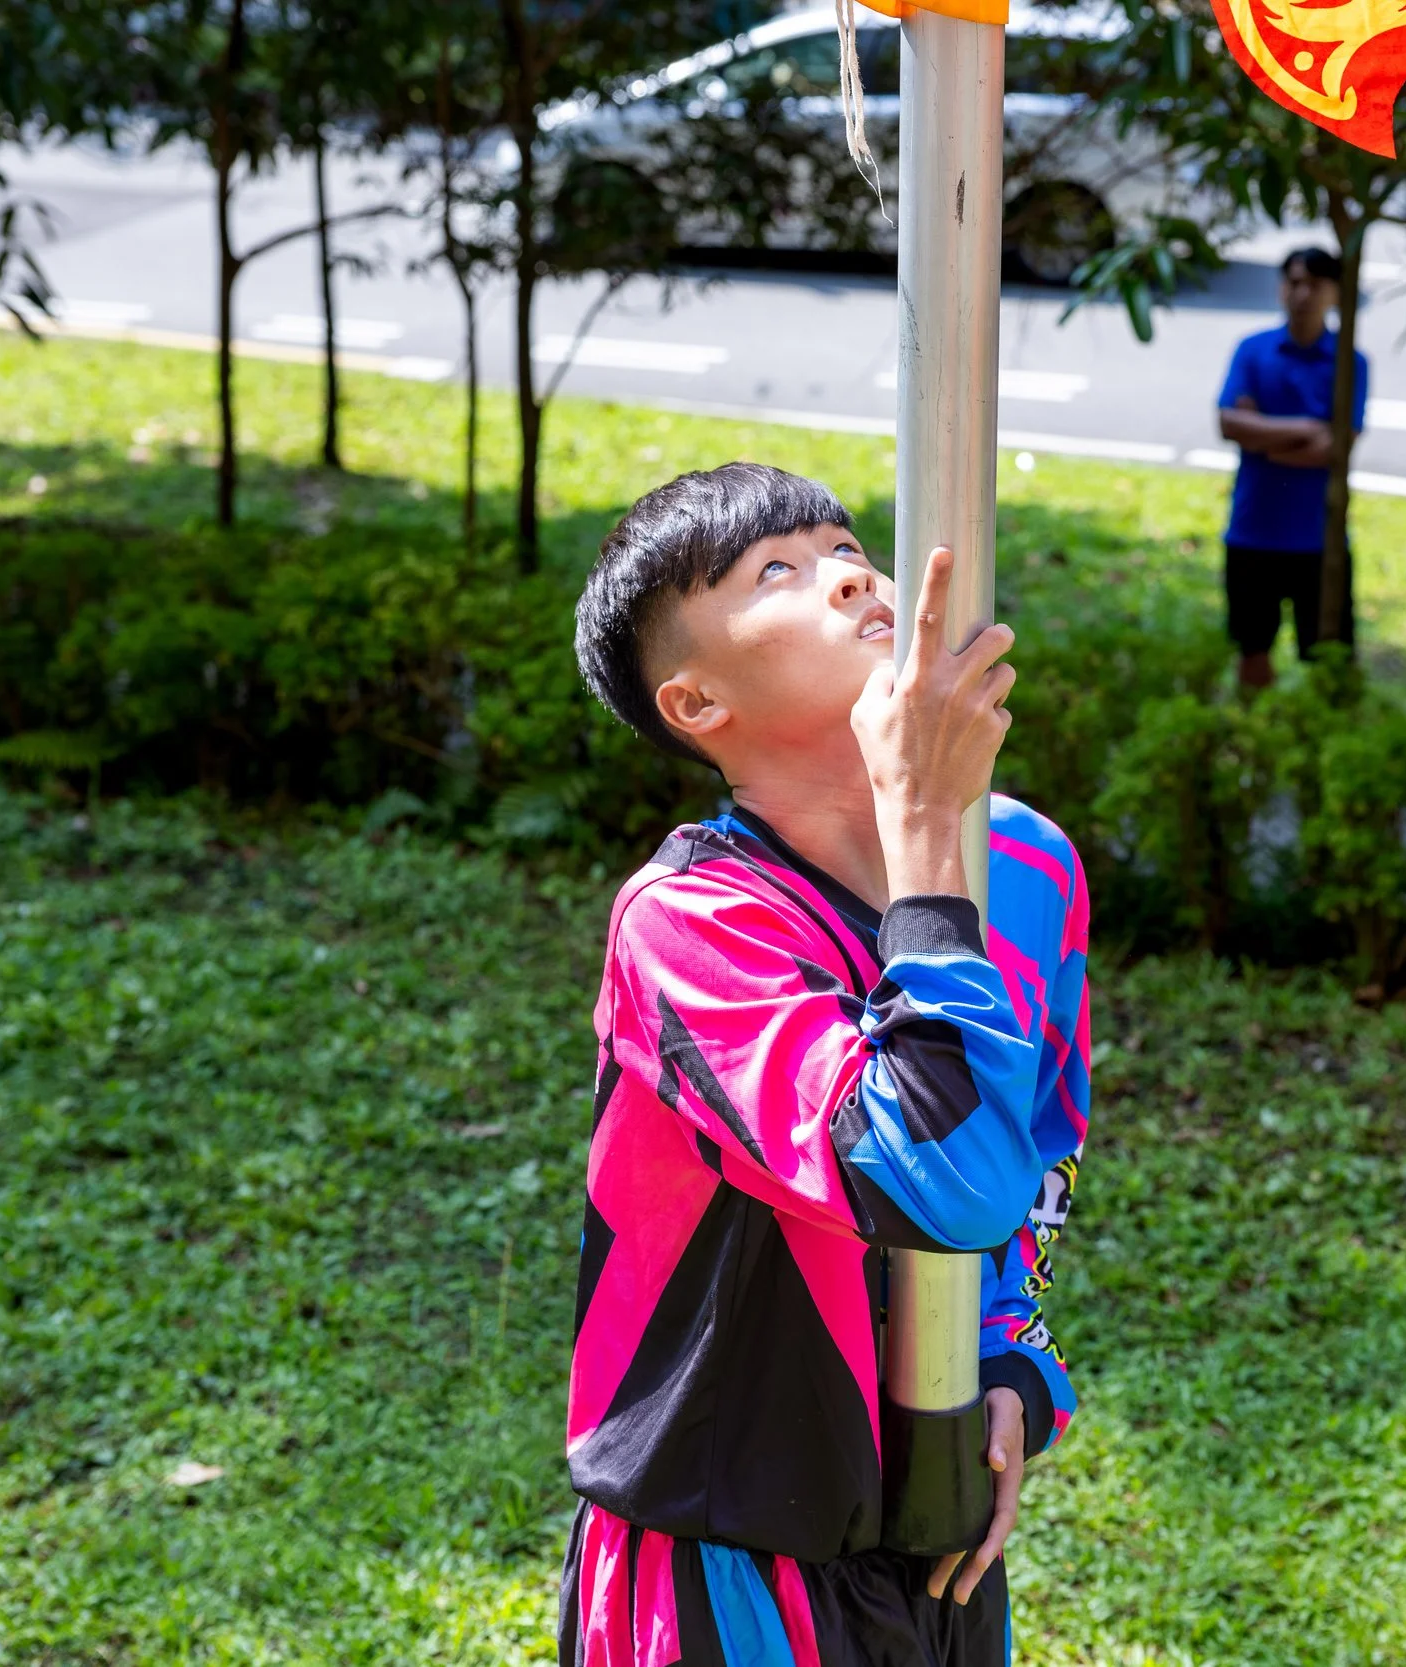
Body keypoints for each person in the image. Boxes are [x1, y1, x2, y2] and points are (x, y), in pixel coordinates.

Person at [564, 462, 1091, 1666]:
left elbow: (1033, 1161)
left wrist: (1013, 1359)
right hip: (728, 1557)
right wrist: (925, 832)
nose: (850, 575)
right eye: (777, 571)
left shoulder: (1026, 864)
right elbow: (931, 1175)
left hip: (940, 1541)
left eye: (846, 545)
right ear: (696, 701)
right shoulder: (693, 923)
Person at [1216, 246, 1371, 688]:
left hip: (1320, 540)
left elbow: (1335, 447)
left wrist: (1263, 438)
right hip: (1252, 532)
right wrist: (1307, 428)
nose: (1302, 294)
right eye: (1294, 282)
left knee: (1327, 659)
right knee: (1252, 651)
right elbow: (1229, 423)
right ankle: (1256, 725)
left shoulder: (1350, 362)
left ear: (1336, 293)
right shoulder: (1252, 350)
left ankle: (1314, 726)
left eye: (1315, 284)